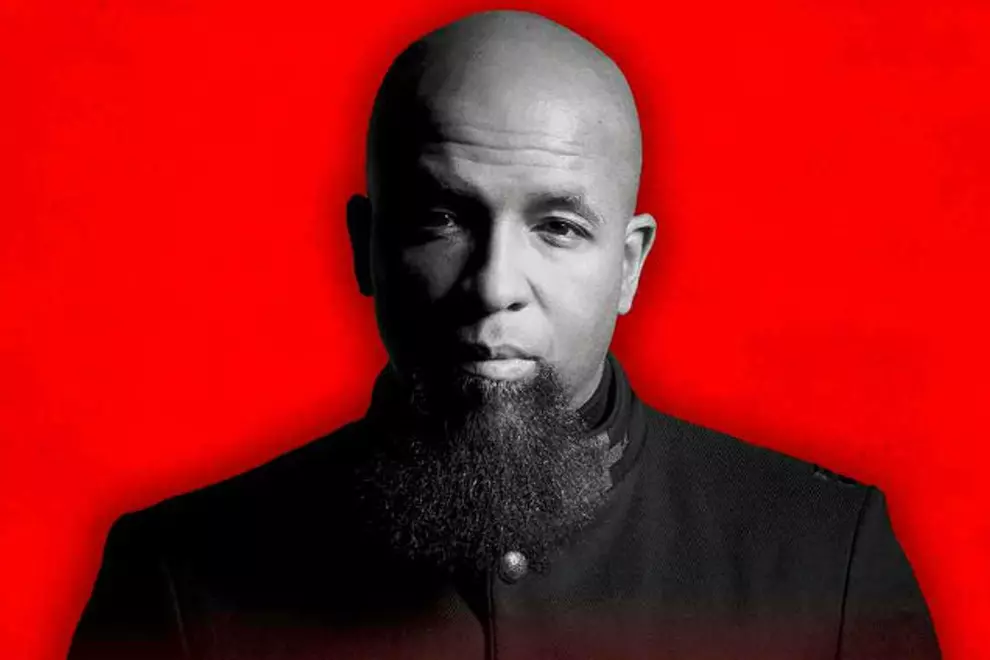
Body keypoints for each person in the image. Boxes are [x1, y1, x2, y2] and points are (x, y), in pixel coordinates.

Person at [68, 10, 939, 660]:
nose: (493, 286)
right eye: (442, 219)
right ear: (366, 247)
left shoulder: (828, 561)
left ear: (628, 265)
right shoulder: (176, 580)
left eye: (557, 227)